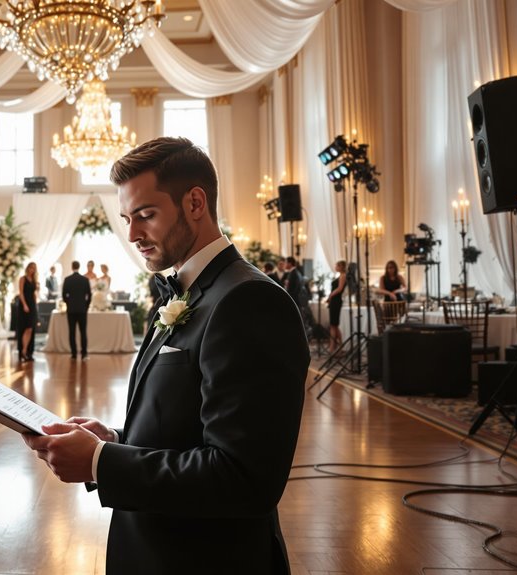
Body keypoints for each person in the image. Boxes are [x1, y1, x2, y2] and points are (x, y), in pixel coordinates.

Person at [22, 137, 308, 574]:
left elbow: (244, 479)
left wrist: (100, 462)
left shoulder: (249, 301)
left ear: (195, 202)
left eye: (146, 215)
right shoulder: (188, 289)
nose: (133, 235)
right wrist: (115, 440)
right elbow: (185, 427)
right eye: (127, 219)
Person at [62, 260, 90, 360]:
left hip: (71, 310)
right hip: (82, 310)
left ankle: (73, 355)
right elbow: (89, 295)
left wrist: (68, 303)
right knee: (83, 332)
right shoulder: (85, 279)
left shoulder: (67, 279)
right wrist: (85, 306)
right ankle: (84, 354)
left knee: (72, 332)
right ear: (79, 266)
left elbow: (64, 295)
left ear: (72, 267)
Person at [17, 262, 39, 362]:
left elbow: (34, 294)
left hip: (32, 306)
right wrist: (25, 304)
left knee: (31, 329)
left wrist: (35, 304)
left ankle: (27, 352)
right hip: (24, 306)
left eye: (34, 268)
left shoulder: (34, 280)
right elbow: (21, 293)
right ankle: (23, 351)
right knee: (26, 328)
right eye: (31, 268)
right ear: (28, 268)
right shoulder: (23, 279)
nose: (32, 270)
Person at [326, 260, 347, 351]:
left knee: (333, 324)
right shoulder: (340, 275)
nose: (335, 267)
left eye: (337, 265)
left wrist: (330, 296)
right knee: (334, 325)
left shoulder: (343, 275)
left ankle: (332, 347)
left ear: (342, 266)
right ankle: (340, 346)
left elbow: (339, 289)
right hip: (334, 301)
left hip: (336, 301)